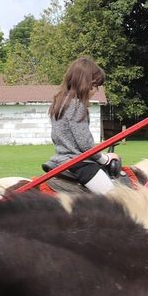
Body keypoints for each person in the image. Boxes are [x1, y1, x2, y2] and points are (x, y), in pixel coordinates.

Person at [44, 57, 117, 194]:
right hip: (79, 164)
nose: (96, 90)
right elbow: (85, 144)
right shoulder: (77, 105)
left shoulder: (60, 103)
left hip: (60, 159)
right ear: (84, 83)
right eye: (95, 86)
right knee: (115, 198)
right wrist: (104, 158)